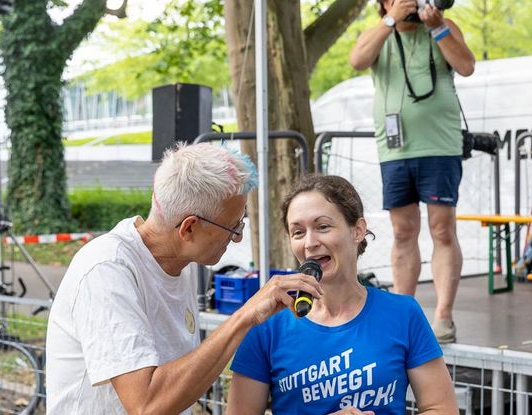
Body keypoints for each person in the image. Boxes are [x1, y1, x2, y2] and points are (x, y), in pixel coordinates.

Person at [45, 142, 323, 414]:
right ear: (189, 228)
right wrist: (244, 317)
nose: (237, 237)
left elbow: (179, 382)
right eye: (232, 226)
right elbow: (146, 406)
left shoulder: (182, 264)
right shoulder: (107, 269)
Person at [227, 174, 458, 415]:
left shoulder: (403, 313)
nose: (310, 242)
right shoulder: (267, 323)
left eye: (322, 227)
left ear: (357, 230)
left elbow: (441, 408)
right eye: (298, 232)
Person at [348, 0, 476, 343]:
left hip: (440, 146)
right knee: (403, 232)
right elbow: (357, 59)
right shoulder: (379, 33)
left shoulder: (443, 26)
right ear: (385, 3)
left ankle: (444, 318)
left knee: (442, 230)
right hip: (395, 150)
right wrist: (391, 20)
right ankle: (404, 315)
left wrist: (437, 26)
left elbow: (465, 66)